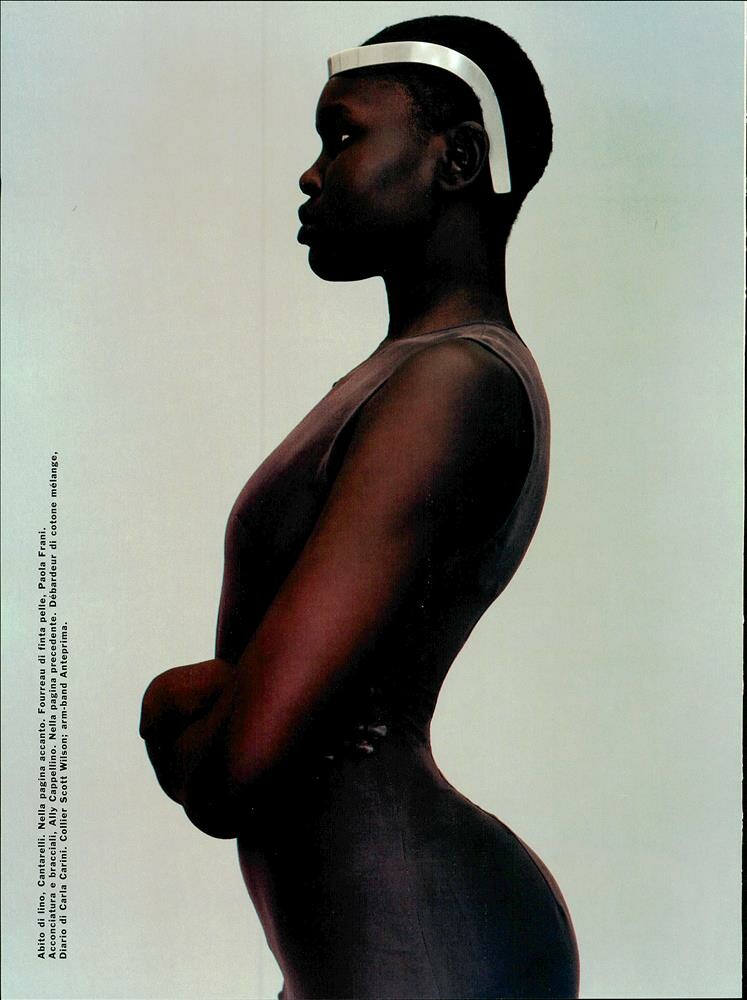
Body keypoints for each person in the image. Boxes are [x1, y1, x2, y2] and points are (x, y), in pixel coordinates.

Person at [140, 14, 580, 999]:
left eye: (342, 136)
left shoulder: (450, 383)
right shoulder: (406, 376)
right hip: (378, 949)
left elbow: (237, 770)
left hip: (425, 947)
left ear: (456, 159)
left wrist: (169, 704)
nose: (311, 173)